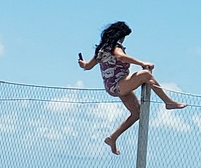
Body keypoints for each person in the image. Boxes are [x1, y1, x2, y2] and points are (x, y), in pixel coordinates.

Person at [79, 21, 187, 155]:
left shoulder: (101, 50)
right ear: (119, 35)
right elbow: (120, 56)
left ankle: (112, 138)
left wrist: (82, 63)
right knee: (145, 75)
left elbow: (87, 66)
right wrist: (141, 63)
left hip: (113, 86)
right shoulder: (115, 46)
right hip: (118, 84)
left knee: (137, 113)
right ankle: (169, 102)